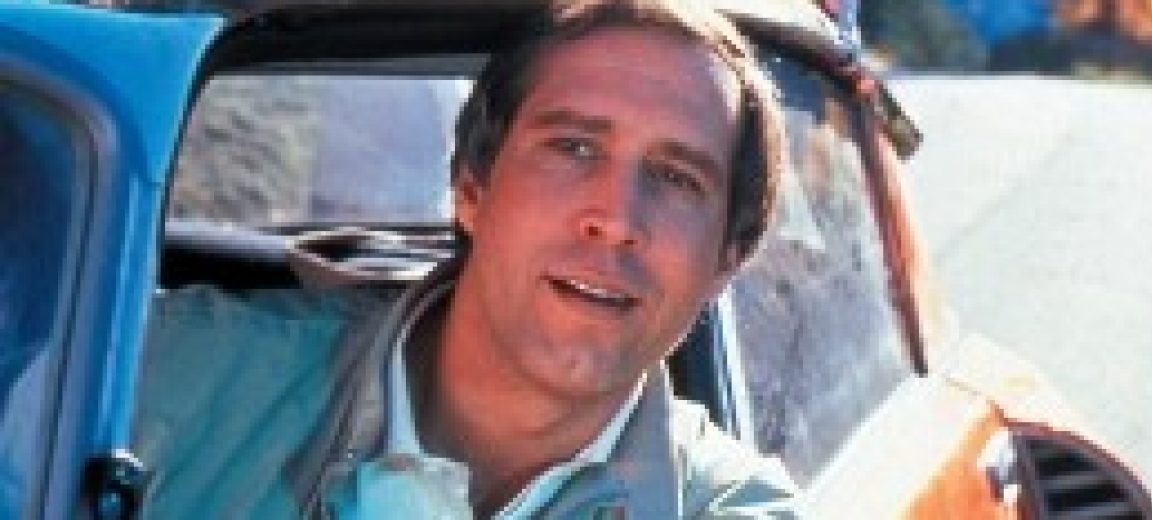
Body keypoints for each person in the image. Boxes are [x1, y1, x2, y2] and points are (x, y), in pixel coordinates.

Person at [305, 0, 803, 517]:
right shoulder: (244, 373)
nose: (616, 220)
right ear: (472, 187)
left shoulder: (734, 507)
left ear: (727, 262)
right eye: (574, 148)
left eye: (677, 177)